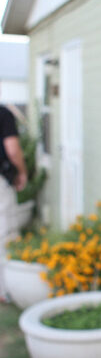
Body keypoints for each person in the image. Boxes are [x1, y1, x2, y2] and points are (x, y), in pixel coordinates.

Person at [0, 104, 28, 300]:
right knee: (5, 234)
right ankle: (4, 290)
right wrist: (21, 172)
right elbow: (12, 149)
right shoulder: (3, 113)